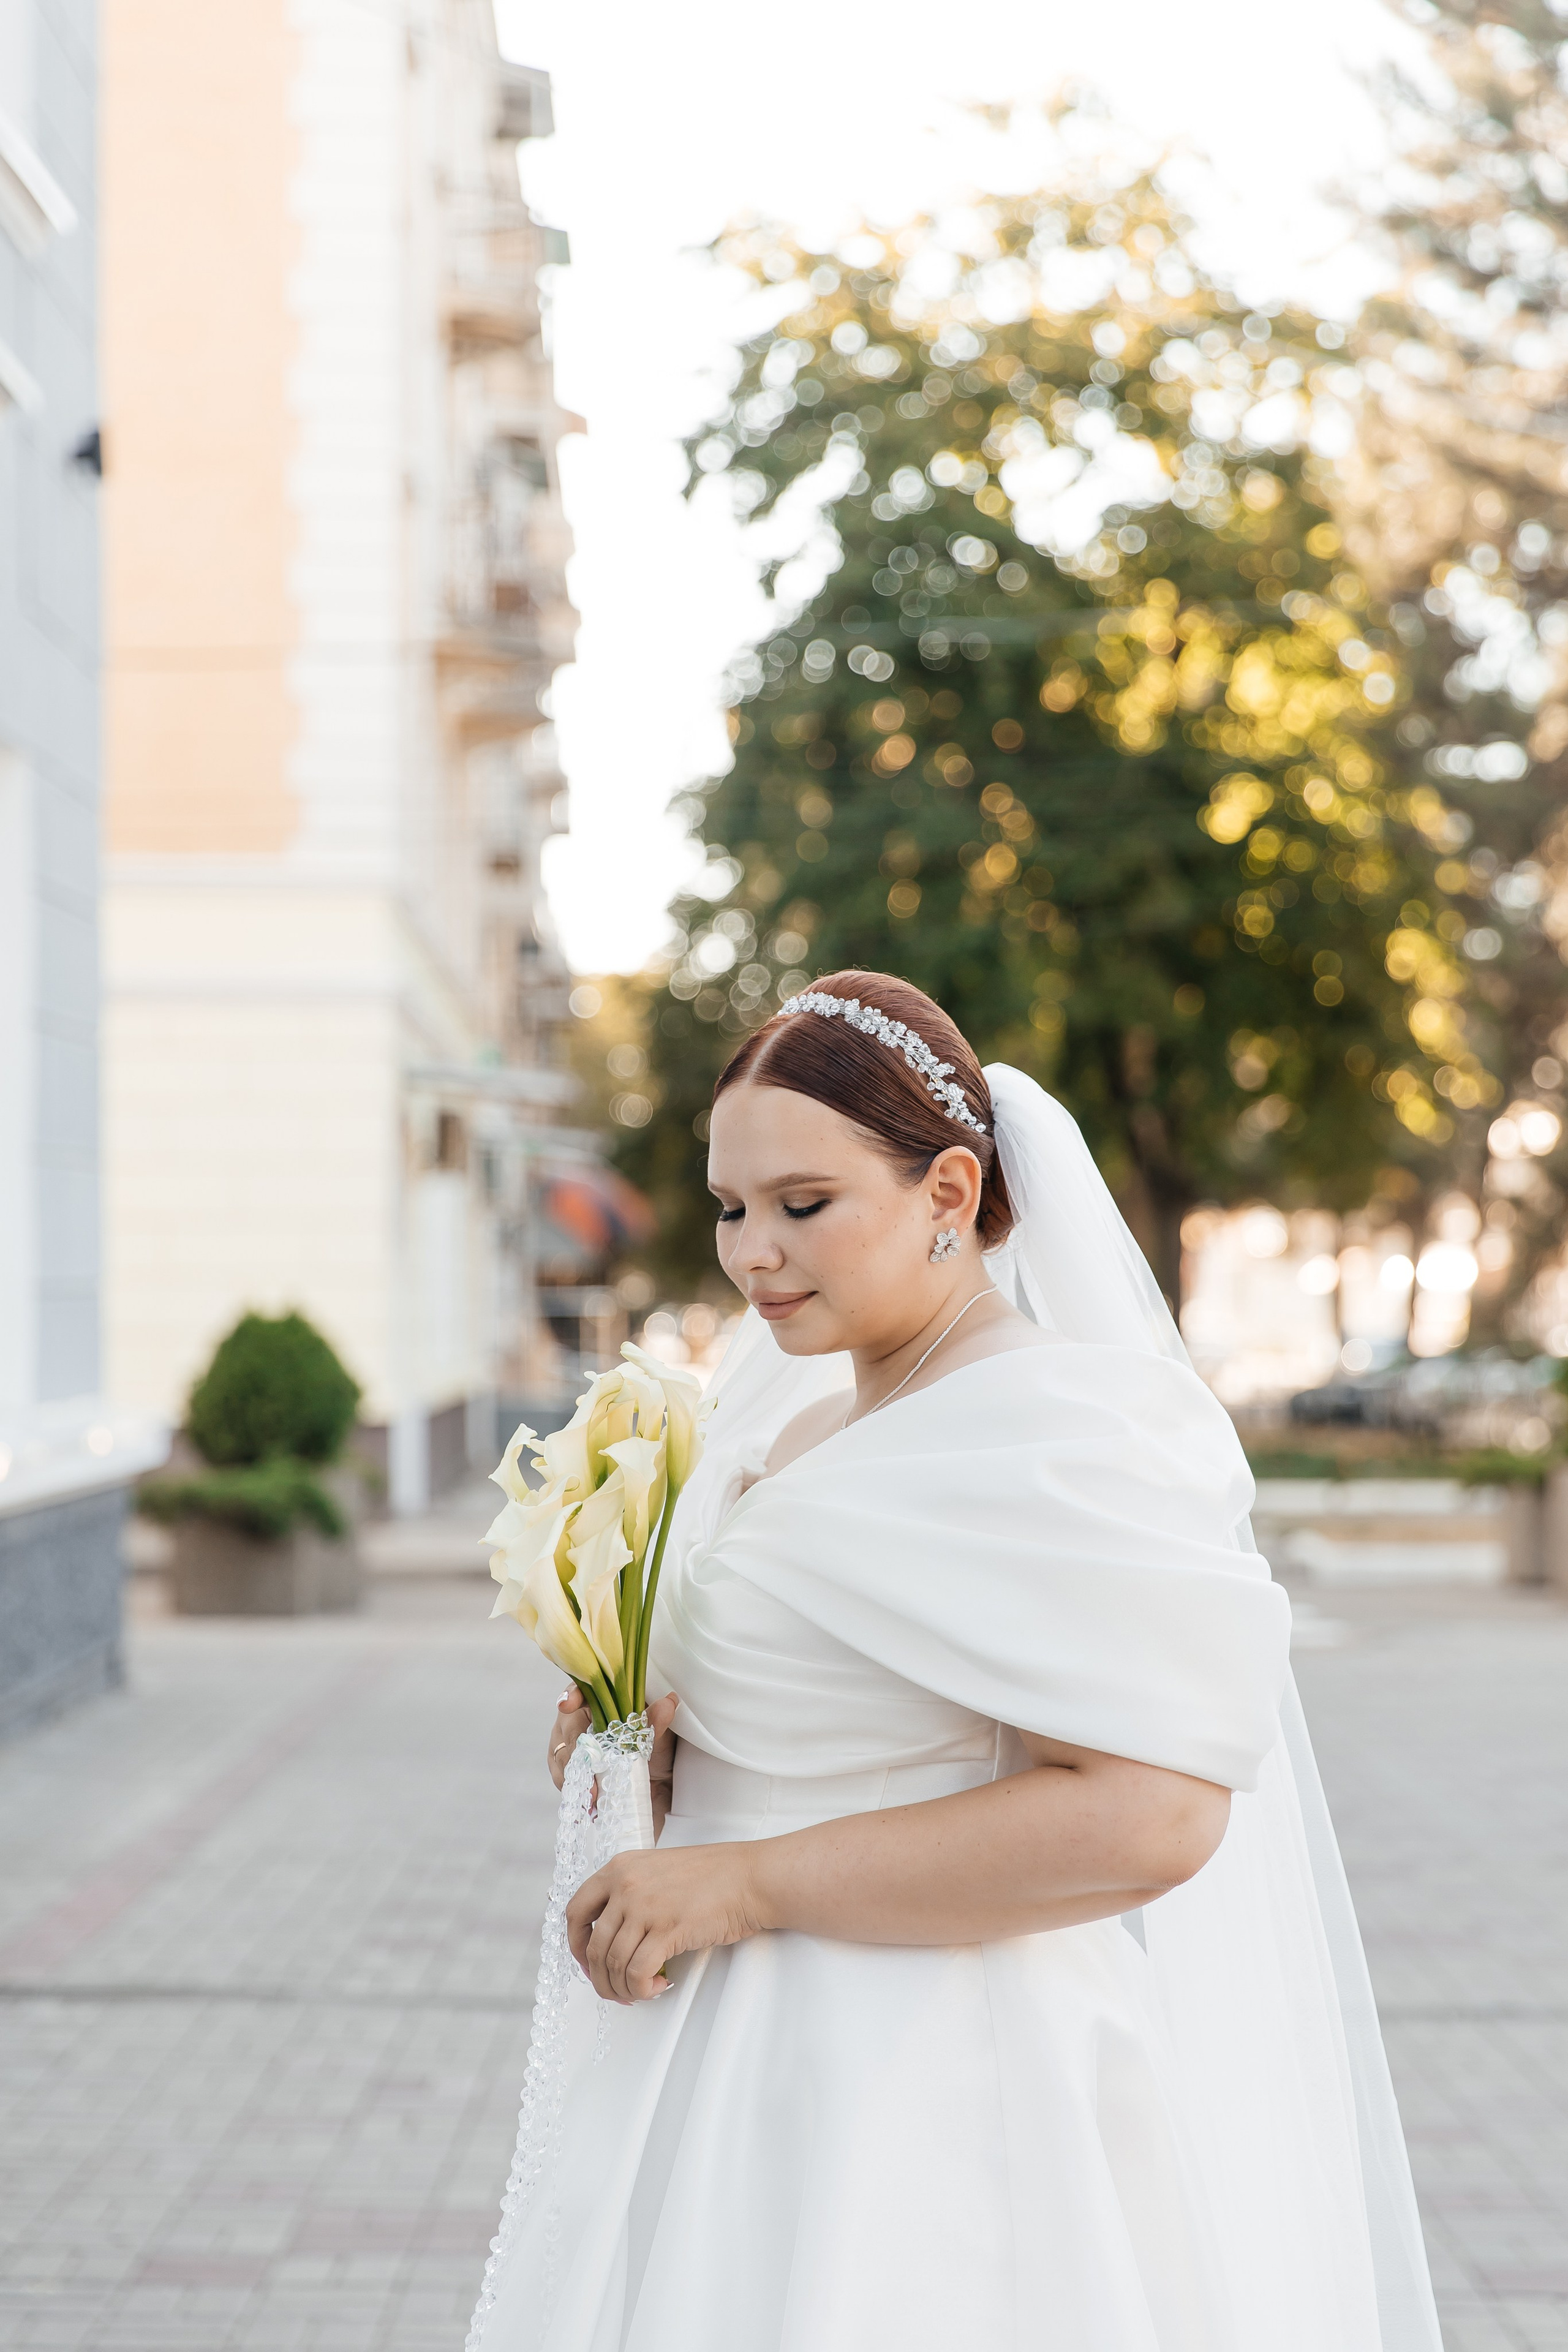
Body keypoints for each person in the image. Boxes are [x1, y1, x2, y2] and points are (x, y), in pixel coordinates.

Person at [469, 970, 1442, 2352]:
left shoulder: (1056, 1429)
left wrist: (741, 1880)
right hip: (735, 2065)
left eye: (804, 1206)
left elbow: (1153, 1812)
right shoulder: (798, 1425)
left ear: (945, 1192)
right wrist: (652, 1747)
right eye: (731, 1208)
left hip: (922, 2079)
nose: (754, 1254)